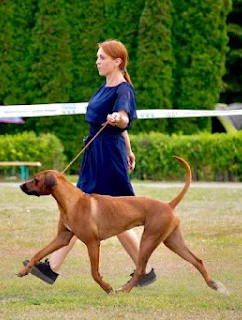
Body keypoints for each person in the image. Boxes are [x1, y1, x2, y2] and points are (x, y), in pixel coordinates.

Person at [23, 40, 156, 287]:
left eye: (101, 57)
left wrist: (118, 118)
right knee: (80, 212)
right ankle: (52, 267)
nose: (97, 61)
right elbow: (109, 126)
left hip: (108, 158)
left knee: (115, 214)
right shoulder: (104, 87)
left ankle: (144, 269)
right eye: (97, 57)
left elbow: (123, 118)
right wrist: (129, 148)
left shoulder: (124, 89)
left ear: (117, 62)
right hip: (96, 153)